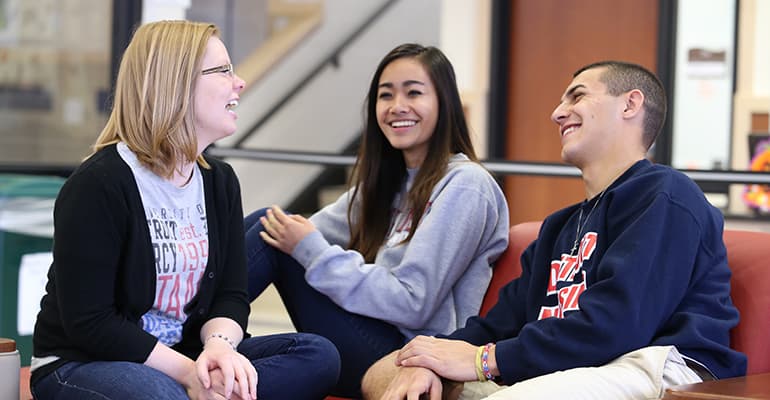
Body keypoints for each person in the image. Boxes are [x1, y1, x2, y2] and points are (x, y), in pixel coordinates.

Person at [361, 60, 748, 400]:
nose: (557, 113)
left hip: (655, 366)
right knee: (385, 374)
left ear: (630, 104)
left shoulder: (666, 194)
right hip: (569, 369)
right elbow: (497, 324)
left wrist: (483, 360)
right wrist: (426, 358)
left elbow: (616, 326)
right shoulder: (559, 227)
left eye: (576, 97)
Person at [30, 20, 340, 400]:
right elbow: (91, 323)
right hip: (84, 363)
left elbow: (230, 293)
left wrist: (219, 350)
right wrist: (190, 374)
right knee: (164, 395)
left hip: (184, 355)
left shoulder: (219, 181)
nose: (239, 82)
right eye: (224, 70)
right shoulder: (99, 183)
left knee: (317, 355)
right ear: (175, 83)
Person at [244, 43, 510, 398]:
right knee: (273, 226)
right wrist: (303, 241)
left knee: (270, 228)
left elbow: (413, 303)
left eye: (414, 93)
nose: (397, 106)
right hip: (370, 339)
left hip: (406, 356)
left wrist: (311, 251)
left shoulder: (466, 185)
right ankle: (195, 329)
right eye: (386, 96)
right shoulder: (388, 183)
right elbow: (307, 229)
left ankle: (181, 329)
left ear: (444, 103)